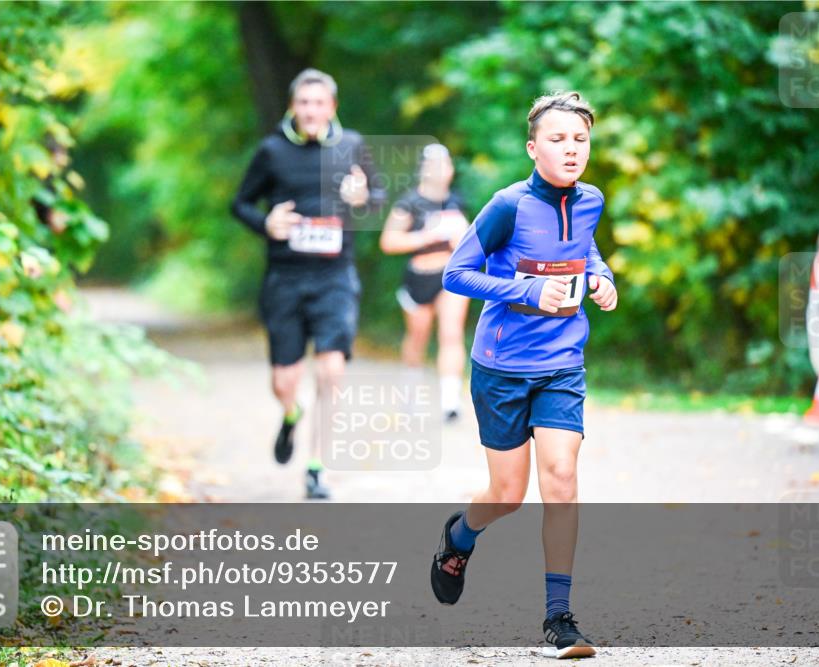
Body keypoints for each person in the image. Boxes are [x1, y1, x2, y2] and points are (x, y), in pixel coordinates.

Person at [428, 91, 617, 659]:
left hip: (562, 364)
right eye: (558, 139)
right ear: (533, 148)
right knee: (508, 494)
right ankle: (459, 537)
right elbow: (456, 274)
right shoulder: (507, 205)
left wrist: (602, 278)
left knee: (560, 477)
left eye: (580, 139)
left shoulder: (591, 200)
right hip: (502, 367)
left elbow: (585, 250)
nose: (571, 149)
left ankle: (560, 617)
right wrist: (527, 291)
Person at [231, 68, 382, 500]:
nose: (311, 111)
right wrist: (266, 223)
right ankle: (291, 412)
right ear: (292, 107)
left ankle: (317, 468)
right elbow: (240, 203)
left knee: (331, 370)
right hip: (285, 277)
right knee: (284, 380)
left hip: (335, 276)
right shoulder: (272, 152)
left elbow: (377, 199)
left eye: (319, 103)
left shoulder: (352, 146)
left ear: (332, 107)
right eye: (304, 103)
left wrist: (362, 198)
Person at [379, 143, 469, 421]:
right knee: (417, 338)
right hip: (418, 279)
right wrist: (427, 236)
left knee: (451, 334)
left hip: (449, 277)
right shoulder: (408, 203)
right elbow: (388, 242)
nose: (443, 170)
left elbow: (467, 242)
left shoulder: (457, 201)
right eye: (436, 165)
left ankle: (450, 402)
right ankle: (410, 396)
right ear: (424, 169)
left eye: (447, 164)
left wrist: (462, 240)